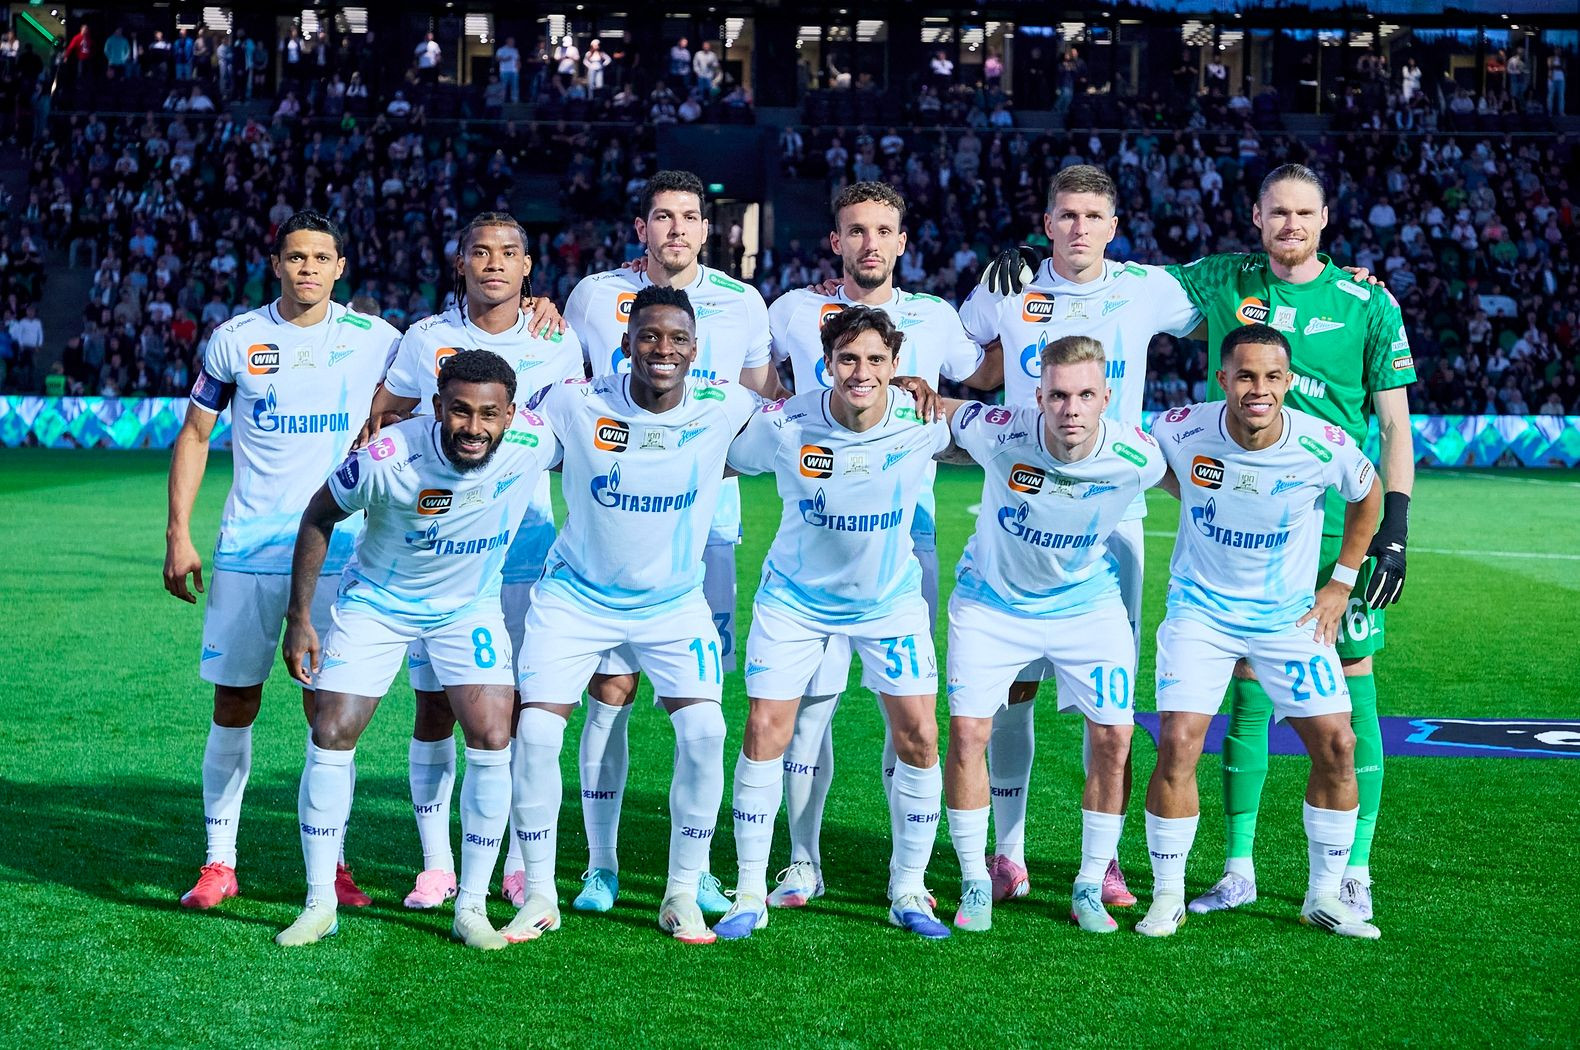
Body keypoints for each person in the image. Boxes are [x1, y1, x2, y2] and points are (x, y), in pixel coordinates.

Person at [1163, 164, 1414, 923]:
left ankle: (1353, 869)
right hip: (1244, 528)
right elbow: (1122, 287)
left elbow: (1393, 423)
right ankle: (1236, 868)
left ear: (1325, 219)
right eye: (1279, 212)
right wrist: (1037, 268)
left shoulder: (1368, 302)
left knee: (1351, 696)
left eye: (1304, 213)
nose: (1291, 225)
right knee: (1244, 691)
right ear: (1257, 216)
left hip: (1337, 532)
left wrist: (1395, 526)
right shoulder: (1224, 280)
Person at [957, 165, 1202, 908]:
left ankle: (1108, 861)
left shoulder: (1146, 287)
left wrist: (1327, 270)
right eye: (1067, 215)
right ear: (1047, 223)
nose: (1080, 228)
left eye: (1094, 216)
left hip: (1112, 520)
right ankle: (1007, 853)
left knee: (1111, 712)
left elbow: (1232, 298)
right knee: (1014, 693)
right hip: (1022, 510)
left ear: (1114, 226)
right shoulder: (1008, 287)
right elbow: (967, 367)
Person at [764, 181, 1001, 909]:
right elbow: (761, 387)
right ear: (835, 240)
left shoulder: (933, 316)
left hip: (905, 537)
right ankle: (802, 862)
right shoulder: (792, 310)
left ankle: (909, 874)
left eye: (883, 230)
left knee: (910, 719)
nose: (870, 243)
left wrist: (1015, 305)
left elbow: (987, 375)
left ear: (902, 241)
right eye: (856, 230)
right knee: (810, 712)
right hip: (816, 537)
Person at [275, 349, 560, 949]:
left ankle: (472, 908)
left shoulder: (535, 440)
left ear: (511, 415)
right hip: (377, 603)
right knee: (331, 731)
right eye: (459, 411)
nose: (473, 427)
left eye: (489, 414)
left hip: (467, 607)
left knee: (492, 735)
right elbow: (318, 515)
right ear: (436, 407)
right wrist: (299, 617)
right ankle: (319, 903)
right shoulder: (386, 458)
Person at [559, 171, 783, 916]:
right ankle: (601, 866)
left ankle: (699, 866)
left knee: (701, 704)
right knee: (611, 693)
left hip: (706, 525)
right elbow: (570, 384)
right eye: (663, 217)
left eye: (689, 217)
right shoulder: (593, 296)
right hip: (614, 523)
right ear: (642, 227)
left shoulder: (743, 302)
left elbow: (758, 402)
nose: (677, 229)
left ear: (707, 230)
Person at [163, 211, 399, 912]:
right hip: (247, 550)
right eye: (296, 257)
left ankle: (333, 864)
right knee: (234, 701)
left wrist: (539, 307)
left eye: (321, 258)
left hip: (338, 553)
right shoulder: (236, 339)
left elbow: (451, 360)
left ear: (340, 267)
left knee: (327, 712)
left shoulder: (376, 340)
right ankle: (218, 861)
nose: (308, 269)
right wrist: (178, 533)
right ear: (276, 264)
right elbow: (195, 434)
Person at [509, 285, 758, 945]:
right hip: (576, 597)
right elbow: (506, 430)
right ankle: (540, 893)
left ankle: (681, 891)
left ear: (696, 350)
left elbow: (807, 422)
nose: (662, 349)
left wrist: (907, 393)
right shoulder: (574, 401)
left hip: (672, 603)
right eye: (648, 336)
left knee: (705, 730)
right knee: (536, 733)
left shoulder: (727, 404)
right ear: (626, 345)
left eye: (676, 339)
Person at [356, 213, 581, 911]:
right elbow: (385, 414)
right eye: (480, 252)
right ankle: (436, 866)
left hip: (526, 550)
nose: (493, 263)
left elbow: (578, 430)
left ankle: (514, 861)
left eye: (508, 253)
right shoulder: (426, 338)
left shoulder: (555, 338)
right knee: (434, 707)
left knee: (512, 713)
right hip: (438, 556)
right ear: (461, 263)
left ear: (527, 266)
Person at [715, 306, 952, 941]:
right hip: (794, 601)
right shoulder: (786, 422)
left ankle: (908, 887)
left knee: (920, 737)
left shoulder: (922, 418)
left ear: (896, 366)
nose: (861, 372)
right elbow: (721, 459)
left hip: (888, 602)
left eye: (875, 360)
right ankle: (748, 890)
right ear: (826, 363)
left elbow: (1004, 434)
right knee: (766, 731)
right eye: (848, 358)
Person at [1140, 324, 1383, 940]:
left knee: (1339, 746)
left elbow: (1369, 494)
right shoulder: (1179, 428)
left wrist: (1341, 582)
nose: (1259, 389)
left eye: (1273, 377)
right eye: (1245, 376)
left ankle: (1324, 897)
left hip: (1286, 618)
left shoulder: (1322, 444)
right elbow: (1139, 459)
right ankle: (1167, 896)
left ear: (1288, 381)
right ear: (1222, 379)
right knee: (1179, 743)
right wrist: (1185, 490)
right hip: (1201, 613)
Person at [939, 335, 1165, 935]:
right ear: (1038, 397)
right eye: (1058, 396)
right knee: (968, 734)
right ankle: (977, 879)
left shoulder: (1139, 456)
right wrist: (914, 392)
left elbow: (1201, 476)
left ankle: (1089, 884)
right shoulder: (1000, 431)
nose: (1071, 409)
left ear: (1106, 398)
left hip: (1085, 605)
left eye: (1085, 395)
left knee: (1115, 737)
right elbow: (944, 410)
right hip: (992, 604)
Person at [495, 36, 521, 103]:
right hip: (504, 71)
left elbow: (518, 59)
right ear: (507, 41)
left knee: (515, 86)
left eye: (513, 41)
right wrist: (505, 59)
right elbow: (497, 59)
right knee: (503, 86)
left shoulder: (515, 50)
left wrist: (518, 66)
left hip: (514, 71)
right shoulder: (501, 49)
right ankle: (502, 100)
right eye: (511, 41)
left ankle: (514, 100)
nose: (512, 43)